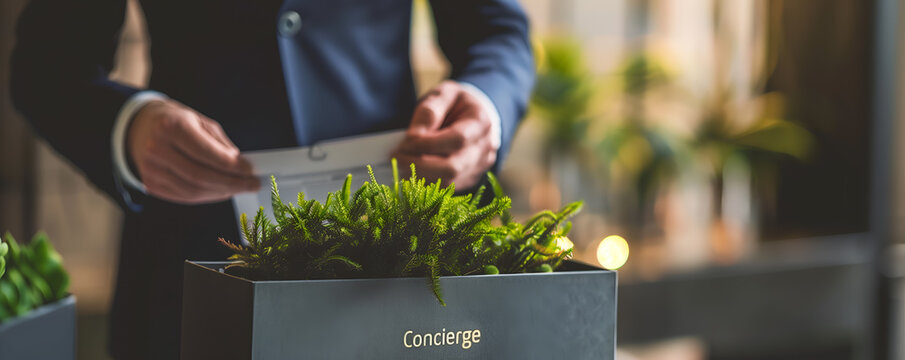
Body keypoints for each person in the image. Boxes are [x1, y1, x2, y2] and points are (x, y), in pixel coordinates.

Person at [11, 0, 533, 358]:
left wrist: (488, 104)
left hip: (400, 268)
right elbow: (47, 63)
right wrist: (126, 127)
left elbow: (497, 30)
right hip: (189, 268)